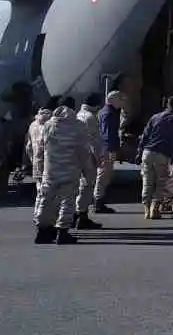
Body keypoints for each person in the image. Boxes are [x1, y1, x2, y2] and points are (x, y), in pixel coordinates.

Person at [35, 106, 91, 244]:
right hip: (70, 169)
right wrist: (87, 171)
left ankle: (43, 230)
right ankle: (62, 231)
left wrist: (39, 168)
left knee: (46, 199)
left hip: (50, 170)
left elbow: (40, 148)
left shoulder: (48, 125)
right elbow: (83, 151)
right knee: (67, 201)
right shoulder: (78, 127)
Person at [138, 95, 173, 220]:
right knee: (160, 182)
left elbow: (144, 136)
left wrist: (139, 152)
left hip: (147, 152)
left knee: (147, 181)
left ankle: (146, 209)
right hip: (162, 154)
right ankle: (154, 209)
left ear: (167, 105)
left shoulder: (155, 117)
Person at [72, 93, 106, 231]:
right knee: (86, 188)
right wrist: (99, 158)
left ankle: (76, 215)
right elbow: (94, 141)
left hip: (78, 157)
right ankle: (82, 216)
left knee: (80, 187)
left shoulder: (79, 114)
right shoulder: (90, 118)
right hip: (88, 158)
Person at [92, 91, 125, 213]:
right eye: (120, 99)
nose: (122, 102)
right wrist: (111, 150)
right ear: (113, 100)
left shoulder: (106, 112)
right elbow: (108, 134)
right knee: (103, 176)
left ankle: (99, 201)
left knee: (104, 176)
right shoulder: (109, 114)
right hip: (106, 149)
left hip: (105, 148)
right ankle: (98, 203)